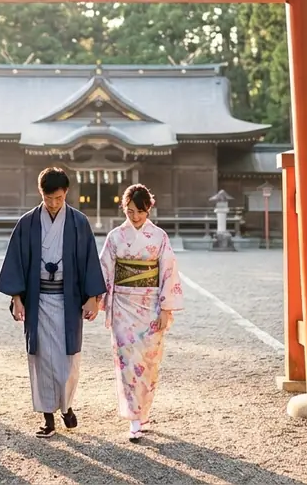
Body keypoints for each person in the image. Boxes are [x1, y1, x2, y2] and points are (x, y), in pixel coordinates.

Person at [0, 167, 106, 438]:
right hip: (38, 300)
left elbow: (90, 261)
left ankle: (66, 406)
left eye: (58, 198)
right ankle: (48, 417)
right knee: (41, 358)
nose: (53, 203)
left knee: (69, 359)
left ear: (66, 192)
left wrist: (92, 298)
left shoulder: (79, 222)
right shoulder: (28, 223)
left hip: (69, 302)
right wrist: (17, 298)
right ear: (40, 193)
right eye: (48, 198)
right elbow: (16, 263)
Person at [99, 183, 183, 443]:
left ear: (149, 209)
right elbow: (104, 270)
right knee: (126, 364)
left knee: (148, 363)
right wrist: (97, 301)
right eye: (129, 211)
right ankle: (134, 419)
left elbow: (168, 272)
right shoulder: (115, 237)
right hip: (123, 306)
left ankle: (143, 412)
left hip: (150, 308)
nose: (134, 216)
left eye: (139, 211)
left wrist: (166, 309)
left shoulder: (159, 237)